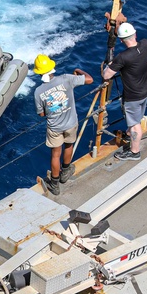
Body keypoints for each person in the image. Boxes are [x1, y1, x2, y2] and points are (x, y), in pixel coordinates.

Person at [33, 54, 93, 195]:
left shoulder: (38, 91)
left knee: (55, 154)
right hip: (71, 123)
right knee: (69, 145)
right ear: (52, 68)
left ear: (39, 72)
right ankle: (65, 172)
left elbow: (41, 114)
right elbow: (90, 80)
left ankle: (54, 185)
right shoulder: (66, 78)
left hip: (55, 127)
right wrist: (79, 70)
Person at [102, 20, 147, 161]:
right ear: (135, 34)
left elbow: (106, 75)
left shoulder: (123, 57)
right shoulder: (146, 43)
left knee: (134, 124)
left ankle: (134, 152)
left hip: (133, 97)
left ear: (120, 40)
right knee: (136, 118)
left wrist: (111, 64)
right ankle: (130, 134)